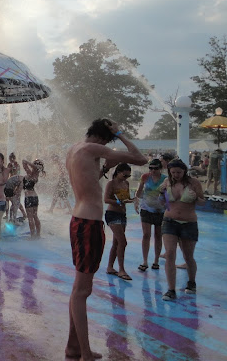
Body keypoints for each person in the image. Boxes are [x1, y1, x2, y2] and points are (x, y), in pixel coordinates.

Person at [64, 119, 146, 361]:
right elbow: (139, 157)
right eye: (108, 140)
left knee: (78, 289)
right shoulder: (93, 148)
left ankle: (73, 347)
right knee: (82, 291)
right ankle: (85, 353)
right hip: (89, 224)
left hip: (78, 220)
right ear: (102, 138)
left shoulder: (75, 149)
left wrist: (102, 168)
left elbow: (88, 180)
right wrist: (119, 132)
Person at [159, 159, 205, 301]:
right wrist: (162, 195)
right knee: (170, 253)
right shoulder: (167, 182)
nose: (176, 175)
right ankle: (171, 289)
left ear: (184, 171)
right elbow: (163, 203)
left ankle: (191, 282)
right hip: (169, 221)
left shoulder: (194, 183)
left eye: (178, 172)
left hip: (188, 222)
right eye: (173, 172)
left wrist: (196, 197)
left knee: (188, 256)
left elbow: (203, 202)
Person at [103, 163, 135, 281]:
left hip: (122, 214)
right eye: (124, 175)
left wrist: (132, 200)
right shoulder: (111, 184)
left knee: (117, 242)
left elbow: (126, 199)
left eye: (128, 176)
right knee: (123, 242)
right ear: (118, 172)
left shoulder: (125, 183)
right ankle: (121, 269)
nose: (126, 178)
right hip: (112, 214)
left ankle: (110, 267)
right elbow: (106, 199)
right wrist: (117, 202)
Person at [135, 159, 167, 272]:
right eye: (151, 168)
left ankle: (156, 260)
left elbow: (168, 195)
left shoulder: (165, 179)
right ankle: (145, 261)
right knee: (146, 235)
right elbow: (139, 191)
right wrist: (135, 201)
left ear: (160, 168)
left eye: (156, 168)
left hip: (160, 210)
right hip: (146, 208)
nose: (153, 170)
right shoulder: (145, 177)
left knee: (158, 235)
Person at [21, 159, 44, 238]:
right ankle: (38, 235)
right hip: (35, 197)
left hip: (29, 198)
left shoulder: (31, 173)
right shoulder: (35, 175)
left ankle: (32, 236)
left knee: (30, 217)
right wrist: (26, 163)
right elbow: (25, 166)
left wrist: (26, 161)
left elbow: (26, 164)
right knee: (35, 216)